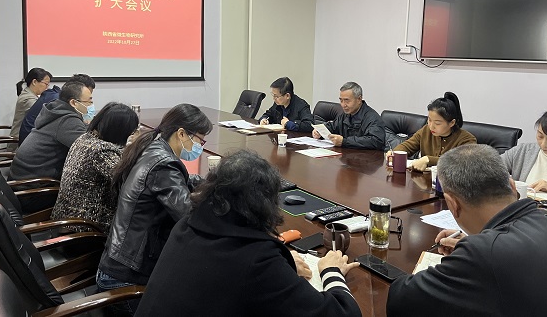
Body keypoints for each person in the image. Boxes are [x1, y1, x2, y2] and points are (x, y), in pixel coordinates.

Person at [135, 150, 361, 317]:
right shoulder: (257, 260)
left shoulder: (187, 225)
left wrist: (282, 263)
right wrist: (331, 271)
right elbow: (344, 313)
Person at [386, 144, 547, 316]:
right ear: (512, 187)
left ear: (452, 204)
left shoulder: (484, 253)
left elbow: (400, 300)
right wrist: (480, 246)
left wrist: (473, 253)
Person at [96, 104, 213, 316]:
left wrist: (214, 184)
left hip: (119, 264)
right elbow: (189, 216)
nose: (200, 146)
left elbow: (183, 180)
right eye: (200, 140)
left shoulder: (154, 148)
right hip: (126, 280)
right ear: (181, 133)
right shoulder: (163, 164)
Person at [50, 102, 139, 233]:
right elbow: (129, 179)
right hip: (84, 227)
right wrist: (136, 147)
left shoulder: (85, 138)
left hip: (67, 219)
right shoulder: (101, 150)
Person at [385, 92, 476, 171]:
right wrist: (394, 153)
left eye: (437, 123)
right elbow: (408, 146)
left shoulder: (466, 139)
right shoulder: (426, 130)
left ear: (452, 123)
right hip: (424, 181)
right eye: (429, 120)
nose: (431, 126)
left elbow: (462, 163)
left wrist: (429, 160)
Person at [19, 73, 96, 144]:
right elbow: (85, 145)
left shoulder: (59, 101)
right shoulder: (60, 108)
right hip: (29, 142)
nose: (90, 104)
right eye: (88, 100)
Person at [312, 82, 385, 150]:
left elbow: (376, 141)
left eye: (347, 100)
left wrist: (344, 141)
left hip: (366, 157)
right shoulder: (345, 115)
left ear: (359, 99)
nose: (343, 105)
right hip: (348, 155)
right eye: (341, 100)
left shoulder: (372, 118)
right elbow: (333, 127)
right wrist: (320, 131)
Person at [9, 67, 52, 142]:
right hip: (19, 142)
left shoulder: (29, 94)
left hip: (26, 138)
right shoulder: (27, 98)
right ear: (34, 82)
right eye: (46, 84)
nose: (47, 88)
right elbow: (42, 114)